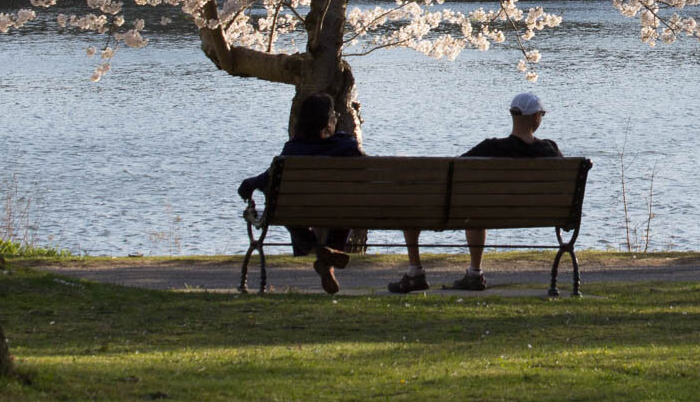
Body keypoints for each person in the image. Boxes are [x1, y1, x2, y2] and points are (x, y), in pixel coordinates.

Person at [388, 91, 561, 293]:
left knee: (472, 209)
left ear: (513, 115)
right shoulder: (550, 149)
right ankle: (473, 274)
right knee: (476, 210)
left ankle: (417, 272)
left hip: (484, 213)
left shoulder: (491, 147)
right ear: (535, 117)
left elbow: (452, 168)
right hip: (541, 214)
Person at [238, 91, 364, 294]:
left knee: (284, 210)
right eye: (334, 115)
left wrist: (248, 184)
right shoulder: (346, 146)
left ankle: (315, 249)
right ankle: (328, 254)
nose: (336, 119)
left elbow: (266, 181)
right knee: (346, 209)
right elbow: (364, 176)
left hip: (299, 214)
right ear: (327, 122)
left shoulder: (292, 150)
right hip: (339, 213)